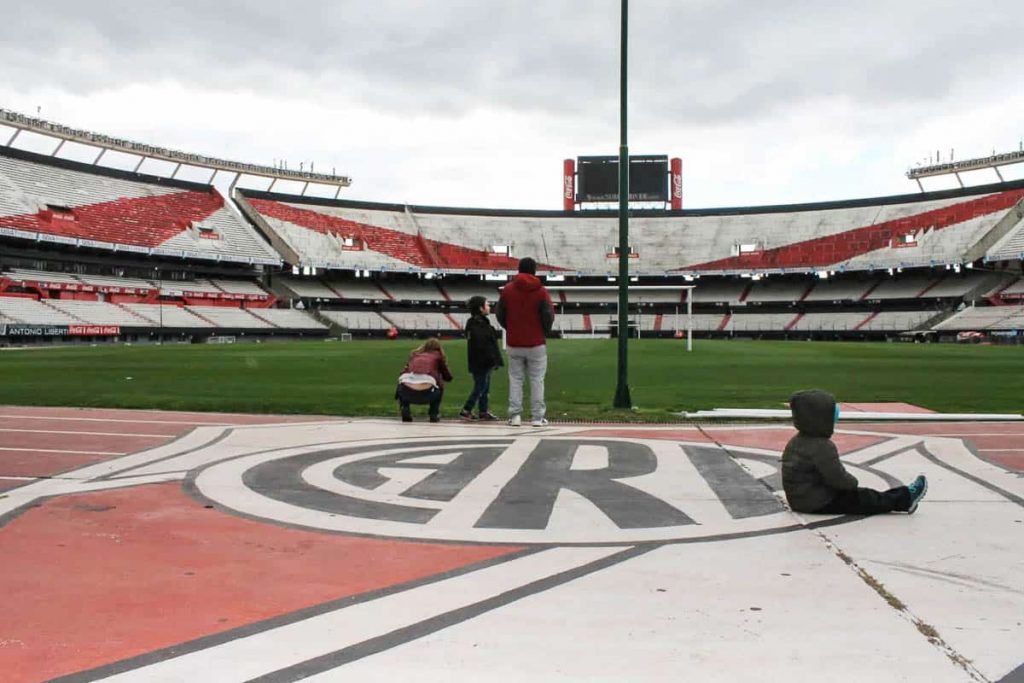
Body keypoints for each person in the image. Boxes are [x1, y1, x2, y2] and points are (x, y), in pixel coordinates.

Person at [782, 389, 928, 515]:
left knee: (863, 496)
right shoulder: (822, 447)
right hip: (818, 502)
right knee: (866, 498)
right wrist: (852, 484)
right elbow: (838, 478)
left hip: (801, 499)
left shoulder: (797, 441)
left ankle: (903, 496)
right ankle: (906, 498)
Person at [495, 257, 555, 427]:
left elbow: (500, 314)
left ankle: (515, 416)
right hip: (536, 343)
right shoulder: (541, 291)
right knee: (537, 380)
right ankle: (537, 417)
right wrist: (543, 331)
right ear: (534, 271)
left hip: (514, 343)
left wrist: (511, 328)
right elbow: (548, 315)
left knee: (515, 379)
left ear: (519, 270)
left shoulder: (508, 290)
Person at [459, 295, 503, 421]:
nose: (489, 307)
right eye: (487, 305)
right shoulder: (478, 324)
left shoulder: (477, 323)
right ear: (480, 308)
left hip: (481, 361)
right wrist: (492, 359)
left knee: (484, 386)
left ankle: (483, 411)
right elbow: (484, 344)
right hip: (481, 361)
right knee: (481, 386)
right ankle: (466, 409)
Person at [395, 338, 453, 423]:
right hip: (427, 391)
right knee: (439, 385)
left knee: (402, 382)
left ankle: (404, 407)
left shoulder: (415, 355)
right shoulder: (438, 357)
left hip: (406, 391)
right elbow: (447, 376)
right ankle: (434, 413)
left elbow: (402, 372)